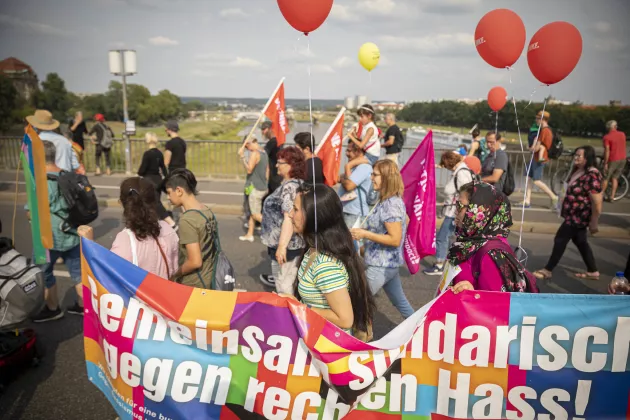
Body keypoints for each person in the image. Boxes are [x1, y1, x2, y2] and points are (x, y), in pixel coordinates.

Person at [284, 183, 375, 338]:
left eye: (296, 209)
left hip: (329, 349)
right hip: (315, 341)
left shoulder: (325, 264)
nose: (290, 214)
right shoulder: (312, 249)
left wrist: (299, 307)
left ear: (315, 217)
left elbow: (345, 319)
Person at [350, 160, 414, 319]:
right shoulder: (389, 200)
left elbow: (395, 239)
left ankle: (349, 339)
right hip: (387, 264)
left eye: (375, 174)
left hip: (381, 265)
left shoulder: (390, 204)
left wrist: (365, 235)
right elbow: (403, 223)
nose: (371, 178)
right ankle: (422, 330)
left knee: (354, 304)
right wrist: (365, 233)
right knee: (401, 303)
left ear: (386, 178)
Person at [448, 182, 539, 294]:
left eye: (460, 206)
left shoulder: (491, 255)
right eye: (456, 205)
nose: (456, 211)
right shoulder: (471, 241)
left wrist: (472, 292)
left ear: (480, 210)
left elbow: (497, 305)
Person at [29, 141, 83, 322]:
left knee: (44, 271)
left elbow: (32, 213)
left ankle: (53, 308)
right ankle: (84, 307)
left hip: (48, 236)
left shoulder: (41, 181)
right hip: (72, 233)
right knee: (78, 273)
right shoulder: (66, 175)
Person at [533, 146, 603, 281]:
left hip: (579, 216)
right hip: (572, 214)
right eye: (575, 155)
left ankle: (548, 269)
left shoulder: (592, 175)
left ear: (587, 158)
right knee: (581, 241)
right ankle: (593, 271)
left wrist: (594, 221)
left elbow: (597, 202)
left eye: (579, 156)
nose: (575, 158)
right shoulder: (579, 170)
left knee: (560, 239)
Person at [111, 177, 179, 279]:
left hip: (136, 295)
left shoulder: (124, 240)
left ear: (122, 202)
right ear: (155, 201)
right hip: (164, 293)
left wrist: (87, 245)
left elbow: (109, 280)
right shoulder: (168, 230)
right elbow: (174, 269)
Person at [259, 146, 306, 293]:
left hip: (287, 244)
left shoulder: (289, 188)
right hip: (291, 243)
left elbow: (288, 217)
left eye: (280, 162)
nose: (276, 165)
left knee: (283, 287)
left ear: (291, 166)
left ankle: (286, 314)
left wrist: (281, 246)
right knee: (287, 283)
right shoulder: (297, 183)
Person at [163, 169, 218, 288]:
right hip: (211, 277)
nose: (168, 197)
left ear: (178, 191)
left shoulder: (187, 220)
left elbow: (195, 261)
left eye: (168, 192)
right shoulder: (206, 210)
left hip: (195, 284)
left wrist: (174, 274)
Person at [424, 151, 473, 276]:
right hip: (454, 211)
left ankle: (439, 265)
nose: (445, 167)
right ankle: (452, 264)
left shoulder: (461, 174)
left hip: (454, 212)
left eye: (445, 165)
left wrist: (461, 214)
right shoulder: (461, 170)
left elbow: (467, 195)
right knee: (451, 238)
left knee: (442, 238)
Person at [137, 132, 175, 228]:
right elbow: (163, 168)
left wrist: (139, 173)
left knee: (154, 203)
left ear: (147, 140)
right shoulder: (159, 153)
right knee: (154, 202)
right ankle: (155, 224)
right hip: (158, 180)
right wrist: (166, 181)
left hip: (148, 181)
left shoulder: (147, 154)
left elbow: (142, 170)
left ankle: (171, 223)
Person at [523, 111, 559, 209]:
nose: (536, 120)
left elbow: (538, 147)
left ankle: (553, 196)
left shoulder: (544, 131)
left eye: (537, 118)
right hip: (536, 157)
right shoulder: (543, 130)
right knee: (528, 177)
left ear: (542, 119)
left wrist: (530, 149)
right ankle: (527, 200)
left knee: (536, 180)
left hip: (539, 158)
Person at [238, 136, 268, 242]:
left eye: (246, 148)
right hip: (263, 186)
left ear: (248, 144)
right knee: (252, 212)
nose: (247, 150)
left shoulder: (254, 153)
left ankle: (276, 228)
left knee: (255, 214)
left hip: (255, 187)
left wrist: (242, 157)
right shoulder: (264, 152)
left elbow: (249, 170)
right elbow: (267, 171)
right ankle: (249, 234)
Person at [338, 141, 372, 228]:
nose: (346, 153)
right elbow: (337, 178)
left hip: (354, 214)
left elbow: (349, 186)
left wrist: (348, 166)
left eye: (349, 151)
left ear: (358, 151)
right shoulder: (356, 165)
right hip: (347, 212)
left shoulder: (364, 167)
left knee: (352, 241)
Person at [601, 120, 627, 201]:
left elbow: (607, 151)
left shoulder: (607, 137)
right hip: (623, 158)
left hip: (613, 159)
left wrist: (605, 163)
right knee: (615, 178)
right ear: (615, 127)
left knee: (606, 177)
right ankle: (612, 196)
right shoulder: (622, 134)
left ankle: (601, 194)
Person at [261, 121, 281, 193]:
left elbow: (262, 154)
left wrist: (255, 147)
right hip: (275, 174)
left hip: (273, 174)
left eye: (264, 129)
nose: (262, 132)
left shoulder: (273, 142)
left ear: (270, 129)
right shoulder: (277, 141)